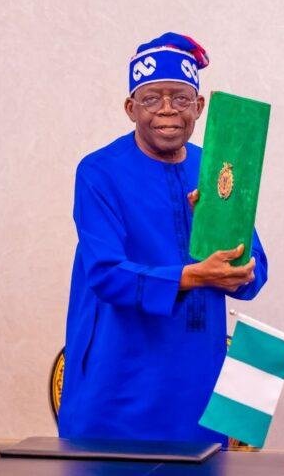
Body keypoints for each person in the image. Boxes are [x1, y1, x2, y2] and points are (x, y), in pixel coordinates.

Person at [59, 33, 268, 443]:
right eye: (152, 99)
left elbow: (255, 270)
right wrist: (196, 276)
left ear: (200, 107)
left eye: (181, 99)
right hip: (119, 377)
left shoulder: (218, 167)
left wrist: (237, 264)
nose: (168, 111)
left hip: (198, 378)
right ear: (130, 108)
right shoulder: (99, 172)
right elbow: (106, 274)